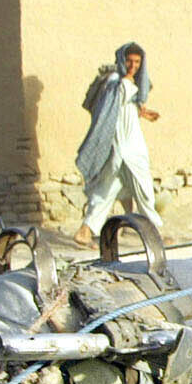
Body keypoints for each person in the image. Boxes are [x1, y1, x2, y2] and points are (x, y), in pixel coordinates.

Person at [73, 42, 162, 247]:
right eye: (129, 61)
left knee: (110, 188)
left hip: (130, 142)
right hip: (123, 146)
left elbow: (124, 107)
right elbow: (109, 110)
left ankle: (86, 231)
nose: (133, 66)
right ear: (122, 60)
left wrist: (143, 113)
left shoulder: (128, 82)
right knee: (143, 186)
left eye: (137, 62)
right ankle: (154, 233)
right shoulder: (115, 82)